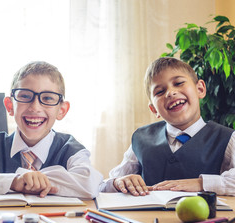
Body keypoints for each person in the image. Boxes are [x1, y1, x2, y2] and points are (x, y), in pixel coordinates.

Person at [0, 61, 103, 199]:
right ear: (9, 106)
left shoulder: (69, 148)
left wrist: (36, 181)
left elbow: (90, 182)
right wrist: (14, 181)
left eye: (47, 98)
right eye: (25, 96)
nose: (35, 107)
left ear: (62, 110)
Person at [100, 57, 235, 196]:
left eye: (178, 83)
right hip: (147, 217)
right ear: (154, 110)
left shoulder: (227, 138)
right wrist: (118, 182)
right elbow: (104, 186)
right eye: (159, 92)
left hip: (206, 217)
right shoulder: (141, 138)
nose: (170, 92)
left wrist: (201, 183)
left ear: (200, 89)